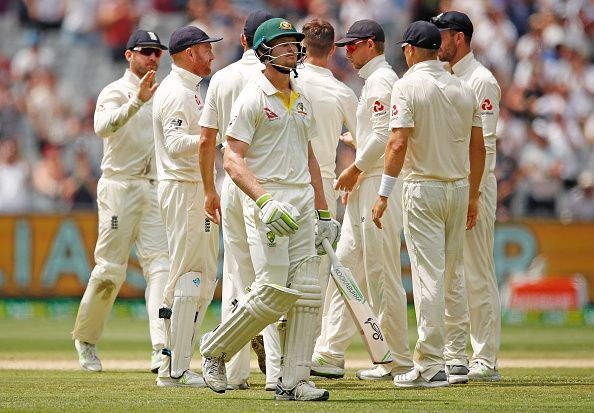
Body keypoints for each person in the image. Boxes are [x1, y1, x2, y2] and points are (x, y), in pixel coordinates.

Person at [199, 18, 339, 401]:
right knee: (274, 293)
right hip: (268, 202)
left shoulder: (301, 97)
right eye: (283, 44)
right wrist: (264, 201)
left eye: (295, 44)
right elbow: (232, 160)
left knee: (308, 293)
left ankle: (294, 381)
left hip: (302, 203)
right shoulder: (252, 97)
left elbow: (309, 156)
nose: (293, 49)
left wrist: (324, 212)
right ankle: (215, 348)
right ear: (264, 50)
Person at [371, 21, 485, 389]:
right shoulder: (463, 87)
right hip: (457, 187)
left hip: (423, 188)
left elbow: (398, 143)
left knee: (428, 277)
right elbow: (478, 147)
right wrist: (472, 194)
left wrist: (384, 193)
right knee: (452, 275)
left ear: (409, 50)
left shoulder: (406, 86)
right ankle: (456, 359)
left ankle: (432, 364)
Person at [313, 19, 413, 381]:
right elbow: (378, 135)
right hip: (365, 182)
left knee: (381, 275)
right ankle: (329, 352)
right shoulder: (374, 81)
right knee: (345, 270)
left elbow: (386, 135)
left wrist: (354, 168)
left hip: (374, 185)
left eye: (352, 46)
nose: (347, 52)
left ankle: (399, 361)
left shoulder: (382, 80)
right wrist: (359, 156)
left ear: (372, 44)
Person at [72, 29, 170, 374]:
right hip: (119, 186)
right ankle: (86, 340)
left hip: (153, 188)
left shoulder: (163, 93)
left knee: (161, 266)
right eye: (146, 51)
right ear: (129, 55)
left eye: (158, 53)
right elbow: (102, 127)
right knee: (111, 269)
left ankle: (162, 348)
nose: (153, 58)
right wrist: (136, 102)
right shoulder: (114, 91)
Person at [198, 10, 278, 391]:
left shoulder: (224, 77)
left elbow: (205, 139)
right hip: (271, 185)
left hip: (231, 180)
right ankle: (279, 371)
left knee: (237, 273)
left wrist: (209, 190)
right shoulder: (280, 74)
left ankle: (234, 371)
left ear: (243, 40)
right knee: (274, 276)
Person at [432, 10, 502, 382]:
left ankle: (485, 358)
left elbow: (485, 147)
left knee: (476, 272)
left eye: (441, 34)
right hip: (450, 184)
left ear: (458, 38)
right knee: (451, 274)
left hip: (474, 185)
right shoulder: (444, 77)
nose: (436, 41)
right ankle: (453, 353)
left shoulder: (481, 80)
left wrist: (473, 195)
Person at [152, 25, 222, 388]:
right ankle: (172, 369)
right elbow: (176, 141)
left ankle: (177, 364)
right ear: (190, 52)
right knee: (187, 275)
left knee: (202, 276)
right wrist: (215, 138)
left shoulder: (191, 90)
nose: (212, 55)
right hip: (182, 190)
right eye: (207, 49)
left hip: (194, 188)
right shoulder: (177, 92)